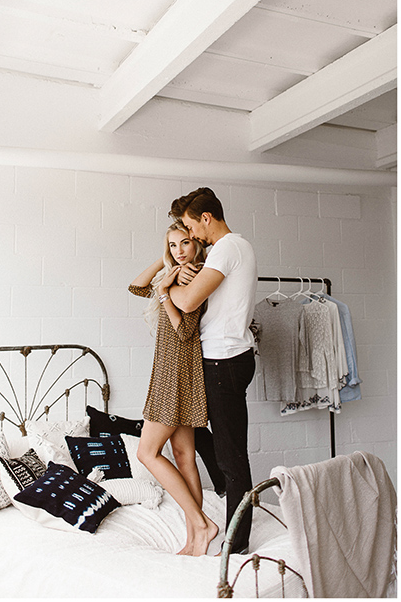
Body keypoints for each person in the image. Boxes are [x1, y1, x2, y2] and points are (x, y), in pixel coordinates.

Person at [166, 187, 258, 555]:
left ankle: (237, 544)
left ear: (206, 218)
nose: (190, 234)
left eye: (191, 227)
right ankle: (226, 492)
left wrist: (165, 289)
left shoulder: (227, 248)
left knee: (231, 456)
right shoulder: (235, 248)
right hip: (222, 359)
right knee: (197, 433)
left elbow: (189, 301)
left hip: (224, 360)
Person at [130, 221, 218, 556]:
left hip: (176, 372)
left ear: (197, 244)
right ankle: (196, 538)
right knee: (183, 456)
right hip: (174, 369)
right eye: (172, 245)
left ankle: (200, 523)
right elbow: (136, 286)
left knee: (147, 452)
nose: (180, 250)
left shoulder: (195, 277)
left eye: (185, 243)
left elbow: (183, 331)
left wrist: (166, 292)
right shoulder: (176, 273)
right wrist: (166, 264)